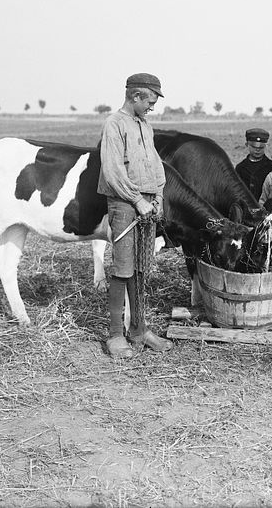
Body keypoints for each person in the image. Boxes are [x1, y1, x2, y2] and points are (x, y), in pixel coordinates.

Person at [97, 73, 173, 358]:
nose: (152, 106)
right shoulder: (115, 124)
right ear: (135, 96)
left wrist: (158, 198)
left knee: (142, 268)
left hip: (147, 204)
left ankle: (139, 330)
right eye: (150, 101)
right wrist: (137, 200)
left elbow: (155, 165)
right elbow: (113, 171)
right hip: (125, 204)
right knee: (123, 268)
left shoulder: (145, 125)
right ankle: (116, 335)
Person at [235, 128, 272, 199]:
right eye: (254, 147)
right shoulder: (240, 168)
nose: (257, 150)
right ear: (246, 144)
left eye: (261, 147)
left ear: (265, 146)